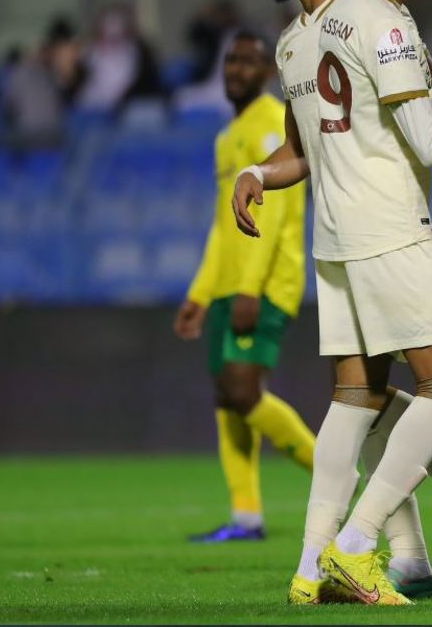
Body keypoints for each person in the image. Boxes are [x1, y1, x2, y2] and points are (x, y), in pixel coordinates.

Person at [230, 0, 432, 605]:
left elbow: (369, 132)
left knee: (355, 402)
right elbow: (311, 148)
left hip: (341, 244)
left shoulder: (310, 38)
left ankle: (309, 566)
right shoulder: (368, 23)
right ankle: (357, 544)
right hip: (387, 232)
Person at [172, 28, 316, 544]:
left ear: (267, 72)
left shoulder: (271, 125)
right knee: (226, 396)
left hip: (266, 285)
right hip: (231, 285)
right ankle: (246, 515)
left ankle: (337, 477)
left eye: (249, 62)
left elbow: (272, 216)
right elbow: (220, 225)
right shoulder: (226, 137)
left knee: (242, 389)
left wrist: (252, 288)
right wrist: (200, 293)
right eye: (230, 61)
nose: (237, 70)